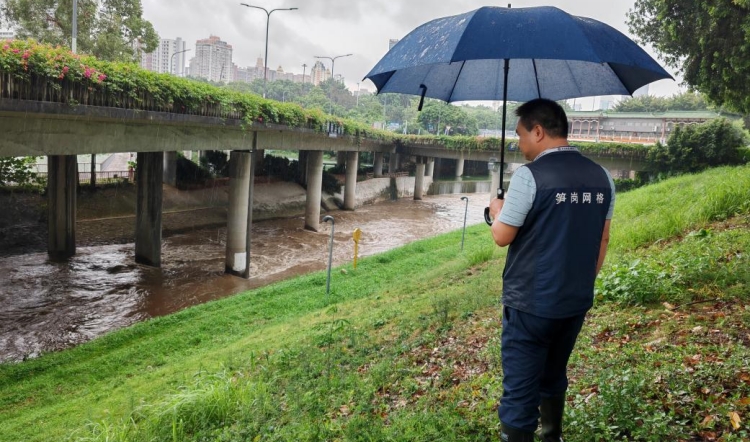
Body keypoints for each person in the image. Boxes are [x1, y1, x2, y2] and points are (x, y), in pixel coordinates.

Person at [488, 99, 615, 442]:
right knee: (554, 374)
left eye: (521, 134)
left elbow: (502, 236)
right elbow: (602, 238)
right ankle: (552, 436)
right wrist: (582, 283)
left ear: (539, 131)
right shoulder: (602, 176)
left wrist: (495, 210)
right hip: (574, 301)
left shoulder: (529, 177)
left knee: (519, 391)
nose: (518, 143)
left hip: (529, 304)